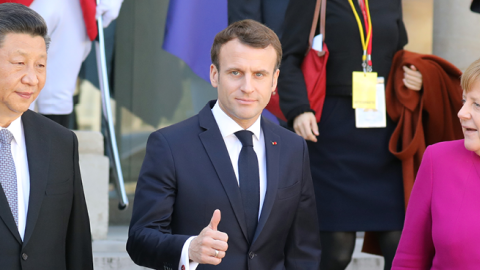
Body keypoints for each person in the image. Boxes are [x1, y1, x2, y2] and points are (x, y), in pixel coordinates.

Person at [127, 19, 321, 270]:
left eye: (259, 74)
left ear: (274, 82)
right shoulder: (169, 145)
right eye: (235, 73)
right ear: (214, 75)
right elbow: (140, 238)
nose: (247, 87)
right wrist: (190, 248)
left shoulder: (293, 148)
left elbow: (303, 250)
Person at [278, 0, 423, 269]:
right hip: (330, 133)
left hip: (383, 136)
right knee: (337, 250)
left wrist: (416, 75)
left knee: (399, 244)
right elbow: (288, 57)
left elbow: (398, 52)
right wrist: (299, 109)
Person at [0, 3, 93, 270]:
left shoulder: (60, 142)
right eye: (19, 63)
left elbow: (78, 248)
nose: (32, 78)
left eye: (40, 65)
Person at [391, 58, 480, 270]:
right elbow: (409, 259)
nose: (462, 113)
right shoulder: (438, 159)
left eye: (476, 104)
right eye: (463, 101)